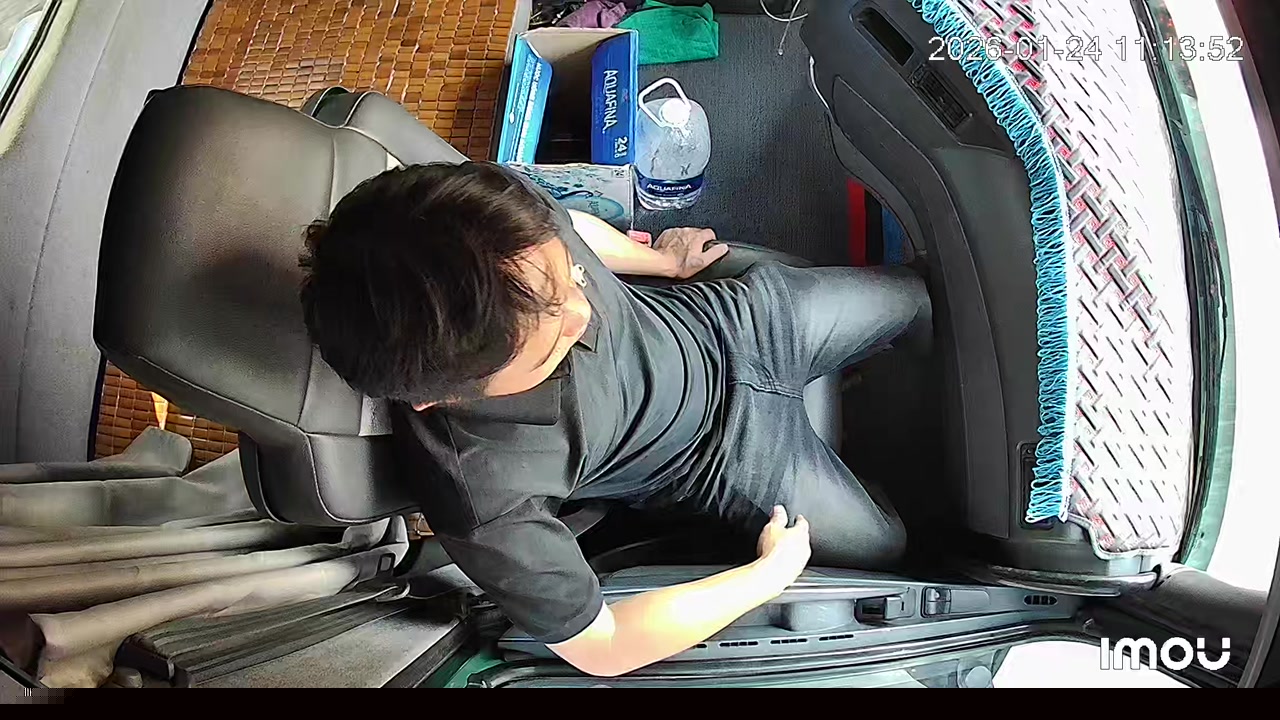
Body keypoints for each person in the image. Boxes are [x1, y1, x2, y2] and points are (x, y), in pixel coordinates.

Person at [299, 161, 930, 677]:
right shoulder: (484, 494)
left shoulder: (487, 220)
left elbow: (569, 222)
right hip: (724, 460)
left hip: (732, 322)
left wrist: (659, 265)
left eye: (569, 277)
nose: (582, 314)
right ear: (442, 399)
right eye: (550, 344)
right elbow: (602, 646)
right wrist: (768, 576)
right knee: (889, 546)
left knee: (917, 296)